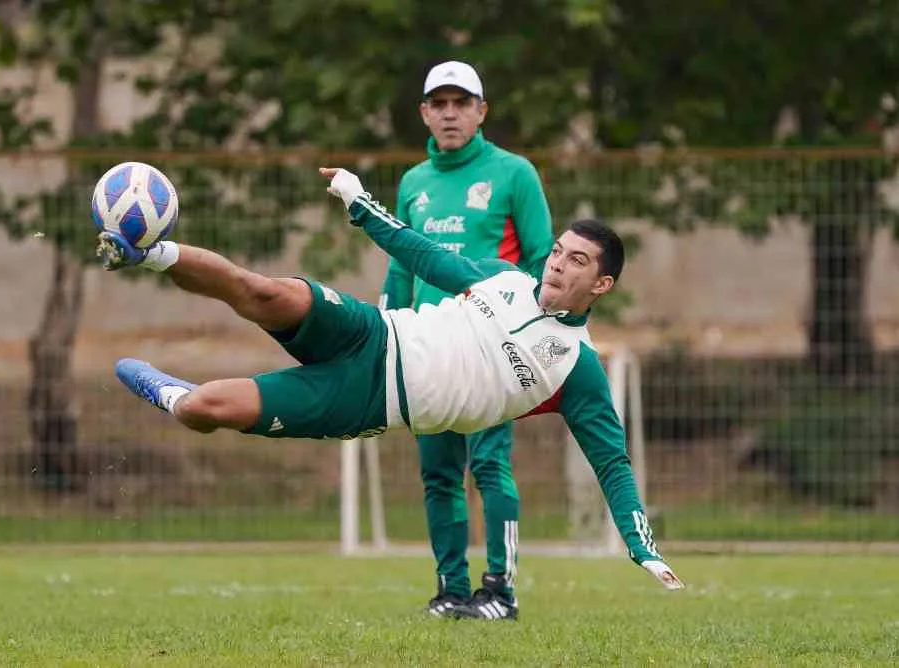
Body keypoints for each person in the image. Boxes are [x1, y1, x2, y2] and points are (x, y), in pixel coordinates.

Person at [96, 167, 685, 619]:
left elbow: (612, 461)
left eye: (576, 261)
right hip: (374, 330)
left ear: (602, 284)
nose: (557, 264)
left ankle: (171, 395)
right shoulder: (505, 281)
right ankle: (145, 252)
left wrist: (641, 546)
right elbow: (422, 251)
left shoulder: (576, 370)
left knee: (206, 407)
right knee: (264, 292)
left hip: (368, 401)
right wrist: (358, 202)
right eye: (557, 251)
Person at [381, 60, 554, 620]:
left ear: (482, 111)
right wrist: (389, 333)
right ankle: (450, 590)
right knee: (437, 473)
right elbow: (400, 272)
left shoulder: (514, 174)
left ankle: (500, 591)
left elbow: (540, 263)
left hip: (488, 349)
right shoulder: (413, 183)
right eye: (440, 103)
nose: (450, 113)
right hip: (427, 351)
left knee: (489, 465)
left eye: (462, 102)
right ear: (425, 113)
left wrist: (513, 326)